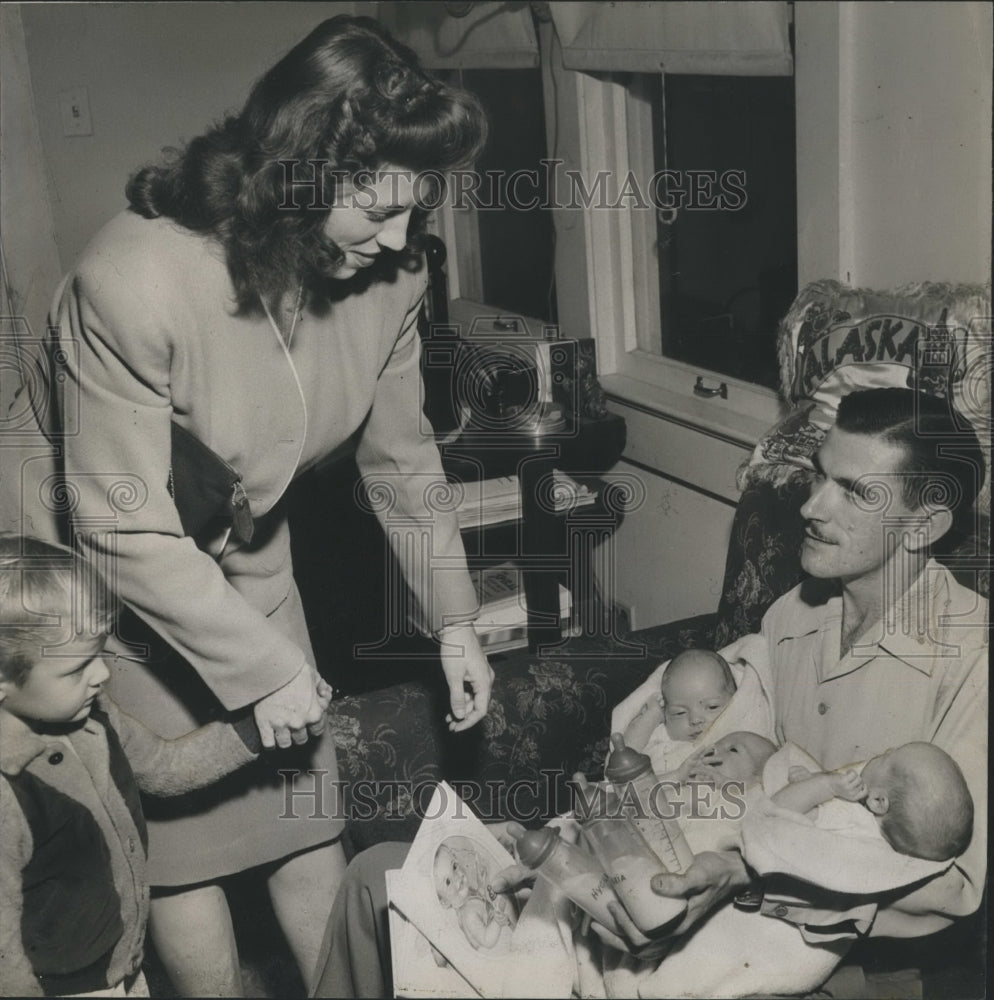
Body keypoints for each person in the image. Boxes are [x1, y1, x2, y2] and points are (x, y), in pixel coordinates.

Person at [41, 15, 492, 995]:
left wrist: (455, 619)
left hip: (245, 530)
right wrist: (261, 667)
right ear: (295, 177)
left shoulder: (393, 269)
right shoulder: (135, 280)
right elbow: (118, 519)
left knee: (302, 804)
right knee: (187, 834)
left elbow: (404, 457)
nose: (402, 242)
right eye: (376, 213)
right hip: (114, 560)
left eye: (417, 212)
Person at [310, 387, 987, 998]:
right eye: (819, 477)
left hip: (834, 959)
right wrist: (575, 830)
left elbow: (953, 886)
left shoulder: (974, 659)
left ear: (924, 525)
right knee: (382, 877)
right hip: (687, 877)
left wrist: (744, 879)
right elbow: (701, 750)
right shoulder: (794, 615)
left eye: (854, 492)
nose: (811, 506)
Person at [0, 536, 275, 997]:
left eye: (100, 655)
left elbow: (167, 766)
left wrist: (254, 730)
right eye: (77, 668)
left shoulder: (95, 717)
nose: (102, 675)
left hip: (125, 967)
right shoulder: (8, 792)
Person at [771, 742, 973, 862]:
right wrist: (811, 780)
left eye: (886, 757)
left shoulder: (849, 817)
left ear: (877, 801)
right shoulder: (881, 845)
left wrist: (824, 785)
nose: (885, 749)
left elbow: (778, 811)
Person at [622, 648, 735, 750]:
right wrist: (652, 717)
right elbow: (624, 754)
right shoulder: (662, 737)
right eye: (679, 713)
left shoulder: (738, 734)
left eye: (712, 707)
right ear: (665, 714)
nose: (695, 720)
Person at [433, 840, 515, 951]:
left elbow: (481, 899)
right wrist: (497, 920)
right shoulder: (468, 915)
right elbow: (487, 941)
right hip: (494, 952)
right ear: (444, 902)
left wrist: (482, 879)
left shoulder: (468, 897)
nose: (457, 876)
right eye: (448, 881)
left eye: (454, 867)